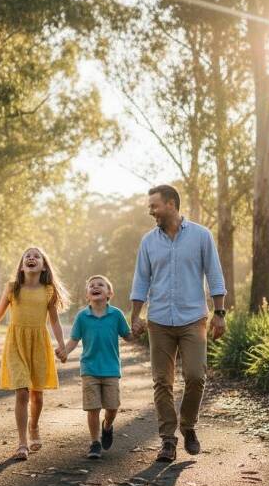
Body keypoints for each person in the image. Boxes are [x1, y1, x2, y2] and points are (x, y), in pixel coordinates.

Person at [129, 184, 227, 463]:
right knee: (162, 382)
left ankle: (188, 425)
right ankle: (168, 440)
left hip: (193, 319)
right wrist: (135, 316)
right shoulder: (148, 241)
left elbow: (215, 275)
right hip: (159, 320)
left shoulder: (200, 236)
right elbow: (141, 281)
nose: (151, 211)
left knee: (196, 376)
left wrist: (220, 313)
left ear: (171, 204)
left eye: (154, 206)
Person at [0, 246, 69, 460]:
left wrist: (62, 345)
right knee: (22, 391)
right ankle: (22, 443)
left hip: (39, 344)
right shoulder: (12, 288)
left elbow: (54, 321)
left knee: (38, 394)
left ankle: (34, 426)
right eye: (27, 256)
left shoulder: (48, 290)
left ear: (43, 266)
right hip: (16, 343)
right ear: (22, 265)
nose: (31, 258)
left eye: (37, 256)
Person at [57, 275, 132, 459]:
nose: (95, 287)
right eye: (92, 285)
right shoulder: (82, 316)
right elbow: (74, 339)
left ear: (109, 293)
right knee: (93, 408)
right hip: (89, 369)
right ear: (87, 295)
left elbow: (128, 336)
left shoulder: (116, 315)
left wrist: (139, 330)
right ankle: (94, 442)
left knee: (113, 406)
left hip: (111, 369)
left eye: (101, 285)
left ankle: (107, 426)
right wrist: (65, 351)